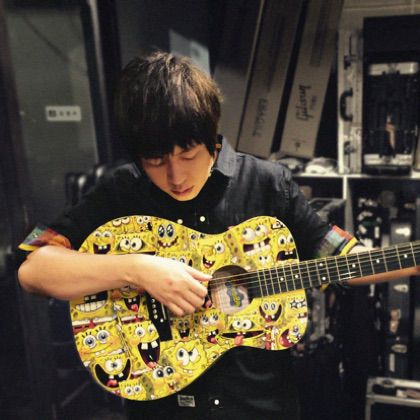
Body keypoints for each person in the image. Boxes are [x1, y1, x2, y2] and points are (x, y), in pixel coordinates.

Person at [17, 51, 420, 420]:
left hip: (258, 406)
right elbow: (33, 267)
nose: (175, 176)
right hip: (163, 409)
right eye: (155, 160)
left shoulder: (269, 184)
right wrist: (139, 269)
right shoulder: (119, 190)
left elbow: (342, 257)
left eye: (188, 155)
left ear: (211, 134)